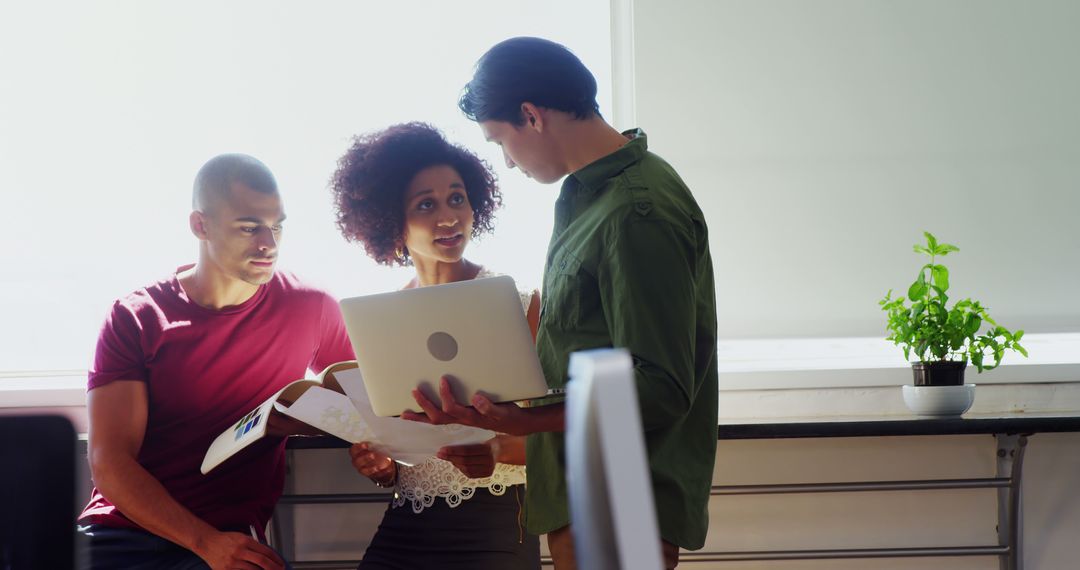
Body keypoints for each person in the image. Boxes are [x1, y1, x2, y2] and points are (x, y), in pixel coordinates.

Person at [402, 37, 719, 570]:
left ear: (530, 115)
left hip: (623, 497)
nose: (504, 162)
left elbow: (660, 387)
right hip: (586, 490)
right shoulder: (588, 196)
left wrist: (521, 422)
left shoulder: (636, 211)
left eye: (500, 140)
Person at [77, 154, 355, 569]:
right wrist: (204, 542)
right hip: (120, 534)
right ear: (200, 225)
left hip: (231, 540)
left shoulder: (311, 307)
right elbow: (110, 464)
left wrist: (313, 423)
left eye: (277, 226)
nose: (269, 244)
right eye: (249, 227)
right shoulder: (136, 316)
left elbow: (367, 398)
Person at [328, 121, 542, 570]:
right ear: (391, 221)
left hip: (496, 520)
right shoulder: (383, 321)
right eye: (426, 204)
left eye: (457, 198)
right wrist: (381, 465)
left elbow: (562, 434)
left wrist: (498, 450)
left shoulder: (518, 304)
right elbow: (401, 451)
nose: (449, 216)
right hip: (407, 521)